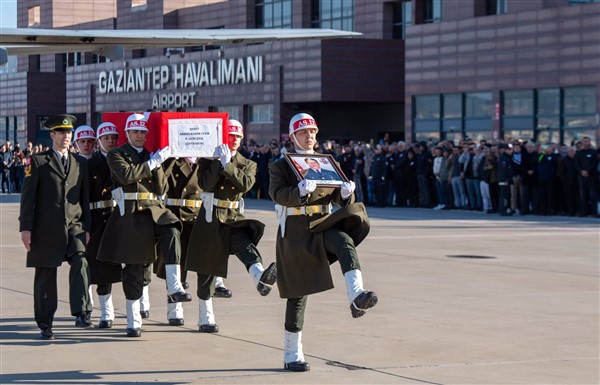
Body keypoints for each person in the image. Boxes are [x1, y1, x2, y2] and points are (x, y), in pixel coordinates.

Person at [269, 113, 378, 372]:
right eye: (304, 133)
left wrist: (346, 195)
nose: (310, 137)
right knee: (298, 294)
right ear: (293, 136)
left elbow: (340, 200)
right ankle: (292, 353)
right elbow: (276, 194)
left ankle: (356, 295)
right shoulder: (281, 165)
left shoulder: (326, 162)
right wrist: (299, 192)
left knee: (343, 241)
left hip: (322, 225)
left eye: (313, 132)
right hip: (296, 232)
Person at [97, 113, 191, 338]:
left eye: (143, 132)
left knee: (172, 229)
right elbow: (127, 175)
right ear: (127, 133)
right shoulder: (116, 154)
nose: (139, 136)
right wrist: (154, 162)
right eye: (135, 132)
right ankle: (133, 320)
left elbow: (160, 188)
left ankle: (174, 284)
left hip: (153, 210)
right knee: (133, 269)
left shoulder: (151, 155)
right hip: (130, 213)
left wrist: (162, 163)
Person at [186, 119, 276, 333]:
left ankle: (260, 278)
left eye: (237, 136)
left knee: (246, 246)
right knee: (206, 269)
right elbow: (205, 184)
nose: (233, 140)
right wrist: (219, 162)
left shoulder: (248, 163)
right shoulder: (208, 160)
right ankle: (205, 317)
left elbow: (245, 184)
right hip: (210, 216)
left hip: (233, 215)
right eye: (230, 136)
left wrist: (229, 165)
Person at [19, 114, 93, 340]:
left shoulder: (80, 163)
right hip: (46, 228)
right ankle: (45, 323)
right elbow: (28, 198)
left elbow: (84, 199)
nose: (65, 136)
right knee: (46, 274)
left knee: (80, 260)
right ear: (52, 135)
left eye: (68, 133)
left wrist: (87, 227)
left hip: (74, 225)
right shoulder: (38, 162)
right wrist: (26, 228)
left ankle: (82, 312)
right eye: (61, 132)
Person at [158, 155, 234, 327]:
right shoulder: (172, 159)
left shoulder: (208, 161)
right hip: (175, 214)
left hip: (201, 215)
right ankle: (174, 310)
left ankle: (206, 316)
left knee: (205, 267)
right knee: (177, 264)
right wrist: (169, 157)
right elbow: (160, 182)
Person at [85, 122, 123, 329]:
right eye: (106, 138)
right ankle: (95, 310)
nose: (110, 141)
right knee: (95, 267)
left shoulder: (122, 160)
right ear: (99, 142)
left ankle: (111, 311)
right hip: (95, 218)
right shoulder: (90, 164)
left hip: (116, 216)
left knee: (113, 267)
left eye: (113, 138)